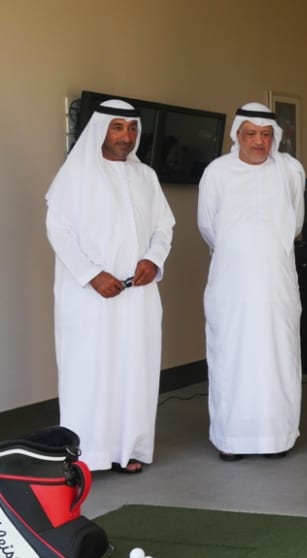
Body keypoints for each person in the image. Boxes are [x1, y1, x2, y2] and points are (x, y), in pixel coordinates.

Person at [45, 99, 176, 474]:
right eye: (117, 127)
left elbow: (163, 228)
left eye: (132, 128)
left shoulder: (145, 176)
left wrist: (154, 259)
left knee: (137, 368)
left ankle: (130, 448)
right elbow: (59, 230)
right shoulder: (75, 175)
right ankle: (86, 454)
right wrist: (91, 275)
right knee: (88, 370)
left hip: (138, 295)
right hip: (88, 297)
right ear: (100, 129)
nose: (126, 136)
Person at [197, 103, 305, 462]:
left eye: (265, 135)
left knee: (278, 355)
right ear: (238, 135)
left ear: (274, 138)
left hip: (277, 283)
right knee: (231, 355)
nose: (258, 142)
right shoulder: (217, 172)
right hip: (232, 285)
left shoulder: (290, 171)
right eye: (251, 134)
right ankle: (231, 438)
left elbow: (296, 223)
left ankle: (277, 437)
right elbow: (208, 226)